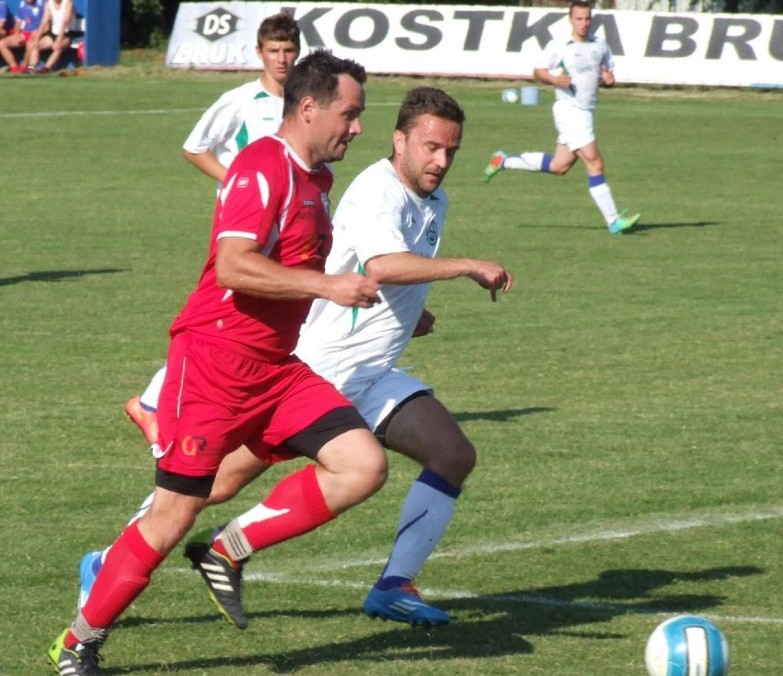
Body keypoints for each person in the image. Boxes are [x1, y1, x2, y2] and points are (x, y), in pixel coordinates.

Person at [79, 86, 513, 632]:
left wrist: (412, 313)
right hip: (323, 367)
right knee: (208, 486)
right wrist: (466, 265)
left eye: (450, 151)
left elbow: (381, 275)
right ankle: (106, 562)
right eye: (430, 147)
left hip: (373, 371)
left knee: (452, 453)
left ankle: (393, 586)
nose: (440, 161)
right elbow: (382, 265)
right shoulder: (377, 190)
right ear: (399, 140)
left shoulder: (433, 201)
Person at [48, 49, 386, 676]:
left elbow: (296, 277)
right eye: (351, 112)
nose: (357, 127)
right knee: (172, 515)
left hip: (276, 371)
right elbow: (233, 266)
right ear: (308, 107)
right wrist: (326, 286)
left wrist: (343, 291)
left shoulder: (318, 182)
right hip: (211, 369)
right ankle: (78, 640)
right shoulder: (262, 165)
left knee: (363, 464)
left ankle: (230, 548)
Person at [124, 11, 302, 441]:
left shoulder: (302, 103)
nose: (281, 59)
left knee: (265, 317)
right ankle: (150, 402)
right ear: (258, 53)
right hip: (243, 228)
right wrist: (240, 183)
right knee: (222, 317)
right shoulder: (241, 101)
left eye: (288, 51)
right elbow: (194, 148)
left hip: (288, 226)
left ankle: (256, 400)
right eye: (273, 51)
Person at [483, 0, 641, 235]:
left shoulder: (600, 45)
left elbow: (606, 74)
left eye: (587, 18)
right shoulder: (561, 45)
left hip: (586, 112)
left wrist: (608, 80)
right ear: (570, 20)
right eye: (579, 19)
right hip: (569, 111)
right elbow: (538, 71)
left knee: (560, 166)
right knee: (595, 163)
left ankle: (504, 160)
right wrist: (556, 80)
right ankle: (613, 220)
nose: (584, 23)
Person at [25, 0, 74, 73]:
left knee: (58, 47)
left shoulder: (68, 3)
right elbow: (44, 22)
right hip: (53, 33)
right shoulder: (49, 3)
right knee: (35, 45)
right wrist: (36, 40)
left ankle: (45, 69)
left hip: (66, 34)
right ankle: (31, 68)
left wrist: (58, 40)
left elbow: (65, 22)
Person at [0, 0, 44, 73]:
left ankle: (25, 67)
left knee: (30, 44)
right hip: (25, 32)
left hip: (38, 33)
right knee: (2, 44)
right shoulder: (22, 4)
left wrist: (38, 33)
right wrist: (17, 33)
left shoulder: (42, 4)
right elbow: (18, 21)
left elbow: (46, 24)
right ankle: (14, 68)